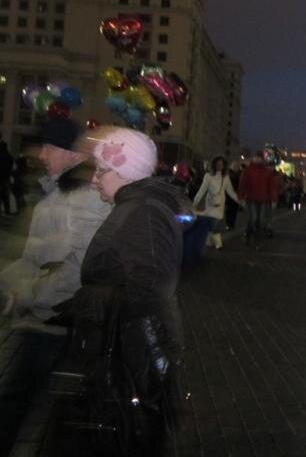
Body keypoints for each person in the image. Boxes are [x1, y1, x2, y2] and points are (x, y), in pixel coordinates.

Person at [58, 126, 190, 454]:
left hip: (136, 352)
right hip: (131, 348)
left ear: (124, 172)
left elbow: (150, 289)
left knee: (136, 436)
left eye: (101, 170)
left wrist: (89, 301)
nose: (94, 179)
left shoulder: (143, 212)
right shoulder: (135, 206)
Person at [1, 120, 111, 328]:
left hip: (56, 319)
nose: (42, 155)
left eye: (50, 148)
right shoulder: (61, 188)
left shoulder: (86, 196)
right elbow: (39, 253)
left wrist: (30, 294)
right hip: (43, 317)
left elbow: (78, 270)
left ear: (75, 155)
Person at [192, 156, 240, 250]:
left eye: (221, 164)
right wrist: (195, 202)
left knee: (213, 224)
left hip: (220, 205)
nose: (219, 166)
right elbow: (202, 190)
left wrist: (238, 199)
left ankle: (209, 241)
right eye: (218, 164)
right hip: (210, 204)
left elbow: (230, 191)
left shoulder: (225, 177)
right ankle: (218, 244)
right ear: (214, 165)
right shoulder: (208, 176)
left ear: (224, 166)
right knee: (213, 224)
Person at [238, 152, 275, 246]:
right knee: (253, 219)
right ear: (253, 158)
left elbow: (271, 186)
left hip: (263, 198)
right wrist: (241, 197)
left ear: (262, 159)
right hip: (251, 198)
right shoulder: (248, 170)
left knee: (261, 220)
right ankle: (248, 233)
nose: (257, 159)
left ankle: (257, 239)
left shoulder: (267, 171)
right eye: (256, 157)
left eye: (259, 158)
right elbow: (243, 184)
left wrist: (273, 198)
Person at [0, 140, 14, 216]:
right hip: (6, 178)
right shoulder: (9, 157)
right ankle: (7, 211)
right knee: (5, 196)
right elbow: (11, 168)